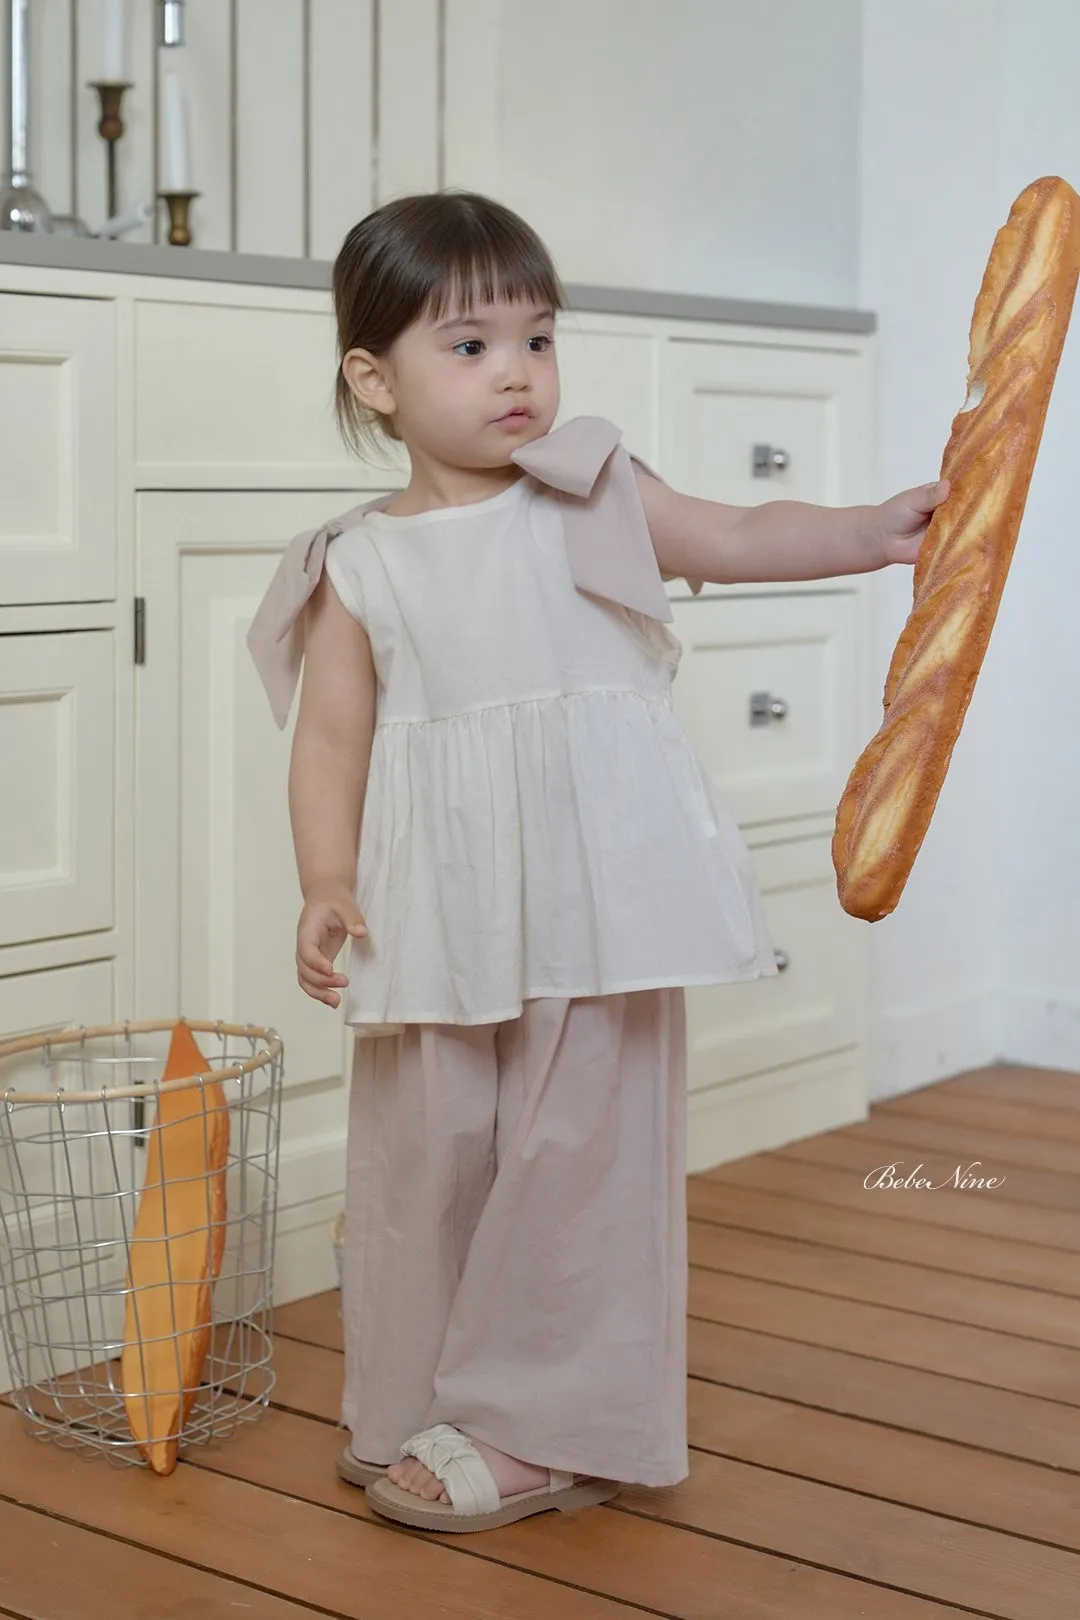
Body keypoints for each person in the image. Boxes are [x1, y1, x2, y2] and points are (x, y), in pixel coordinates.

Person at [247, 190, 948, 1535]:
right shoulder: (357, 563)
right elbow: (330, 743)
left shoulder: (589, 491)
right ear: (374, 380)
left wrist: (873, 530)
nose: (516, 371)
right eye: (470, 346)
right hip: (437, 909)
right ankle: (414, 1399)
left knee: (577, 1157)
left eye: (538, 338)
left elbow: (739, 535)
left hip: (597, 904)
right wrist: (325, 881)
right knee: (425, 1154)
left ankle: (544, 1428)